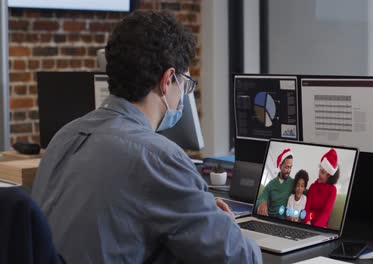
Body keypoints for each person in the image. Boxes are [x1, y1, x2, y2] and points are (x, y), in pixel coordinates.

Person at [31, 11, 261, 264]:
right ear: (167, 81)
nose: (183, 92)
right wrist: (225, 225)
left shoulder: (64, 136)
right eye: (184, 82)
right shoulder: (157, 157)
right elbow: (240, 258)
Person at [303, 148, 340, 228]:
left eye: (322, 172)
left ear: (329, 176)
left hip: (320, 225)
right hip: (308, 222)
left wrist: (315, 228)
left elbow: (326, 213)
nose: (319, 174)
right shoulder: (313, 186)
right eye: (320, 170)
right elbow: (307, 207)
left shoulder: (332, 190)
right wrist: (307, 221)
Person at [256, 148, 294, 217]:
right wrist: (262, 203)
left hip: (283, 221)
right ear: (280, 166)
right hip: (269, 217)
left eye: (290, 167)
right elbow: (262, 197)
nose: (289, 170)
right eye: (286, 167)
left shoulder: (293, 183)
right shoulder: (271, 184)